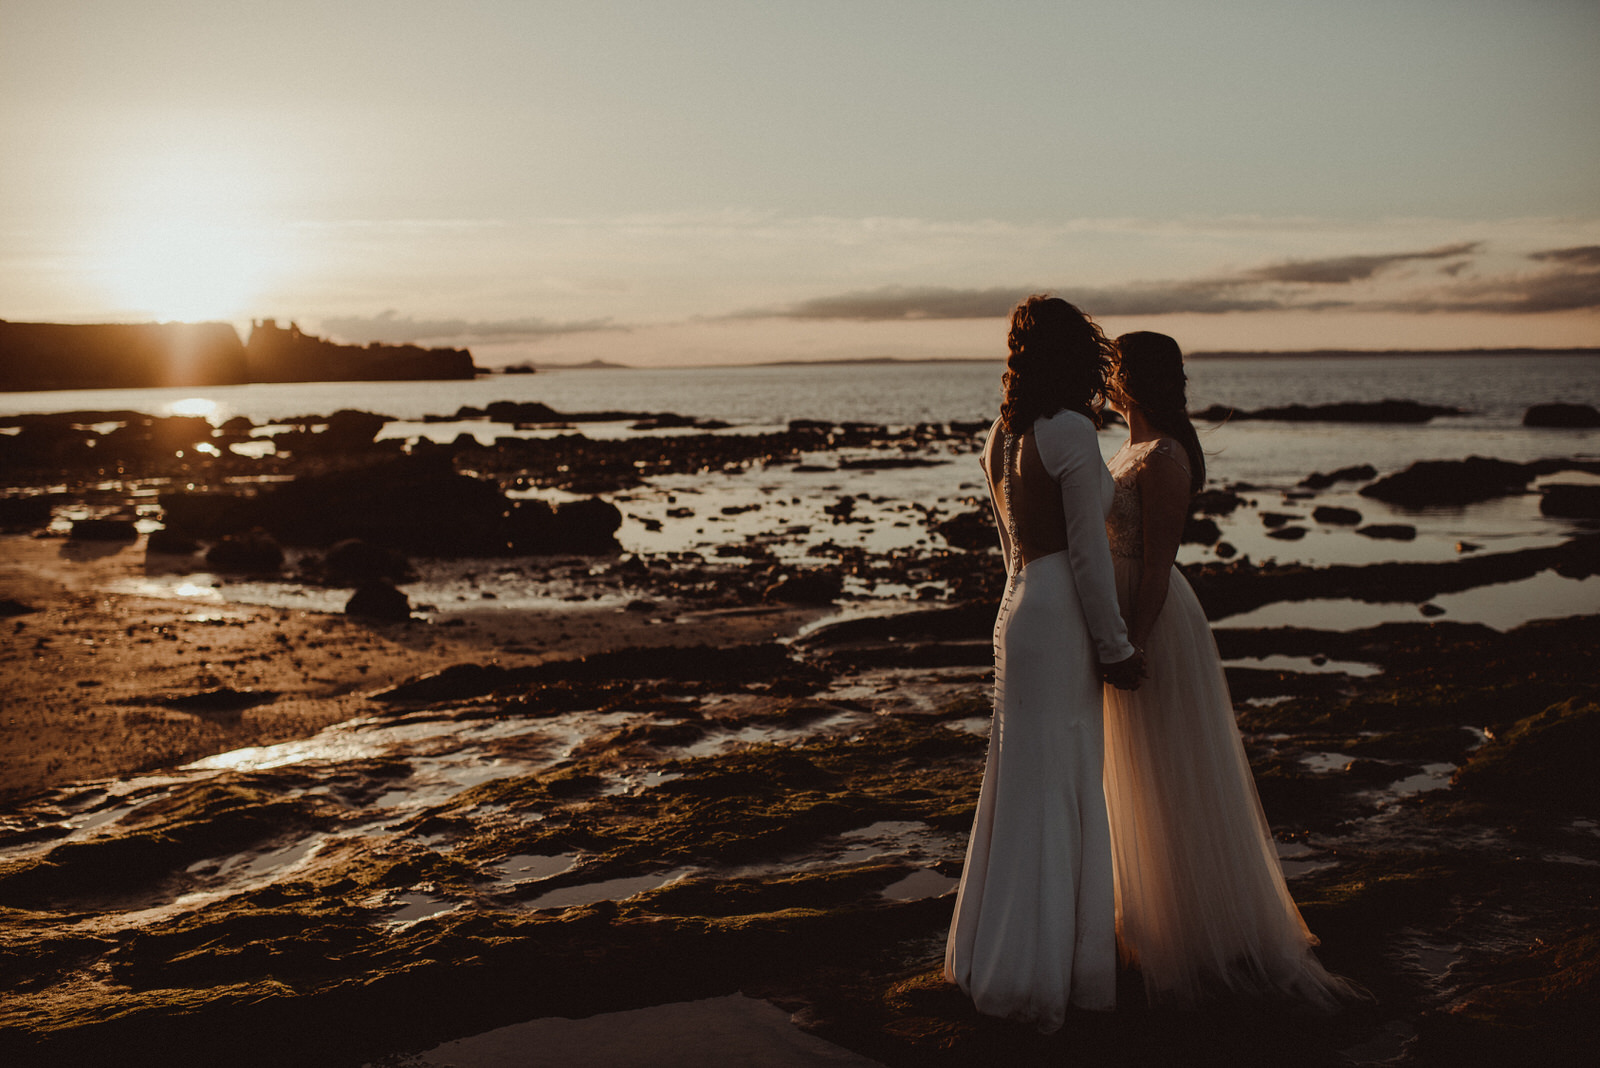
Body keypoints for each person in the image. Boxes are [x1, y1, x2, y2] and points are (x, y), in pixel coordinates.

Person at [1100, 330, 1354, 1010]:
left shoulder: (1166, 455)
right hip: (1118, 615)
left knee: (1170, 769)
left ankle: (1196, 931)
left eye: (1112, 368)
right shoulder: (1125, 449)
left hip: (1152, 620)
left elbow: (1156, 564)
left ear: (1133, 378)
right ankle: (1144, 919)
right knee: (1130, 772)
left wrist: (1131, 644)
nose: (1103, 378)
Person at [944, 295, 1145, 1032]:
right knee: (1062, 784)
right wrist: (1116, 646)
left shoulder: (1001, 433)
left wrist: (1015, 611)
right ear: (1074, 351)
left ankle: (993, 957)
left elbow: (1009, 545)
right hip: (1060, 616)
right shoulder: (1068, 431)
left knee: (1019, 786)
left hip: (1018, 606)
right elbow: (1089, 556)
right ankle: (1052, 972)